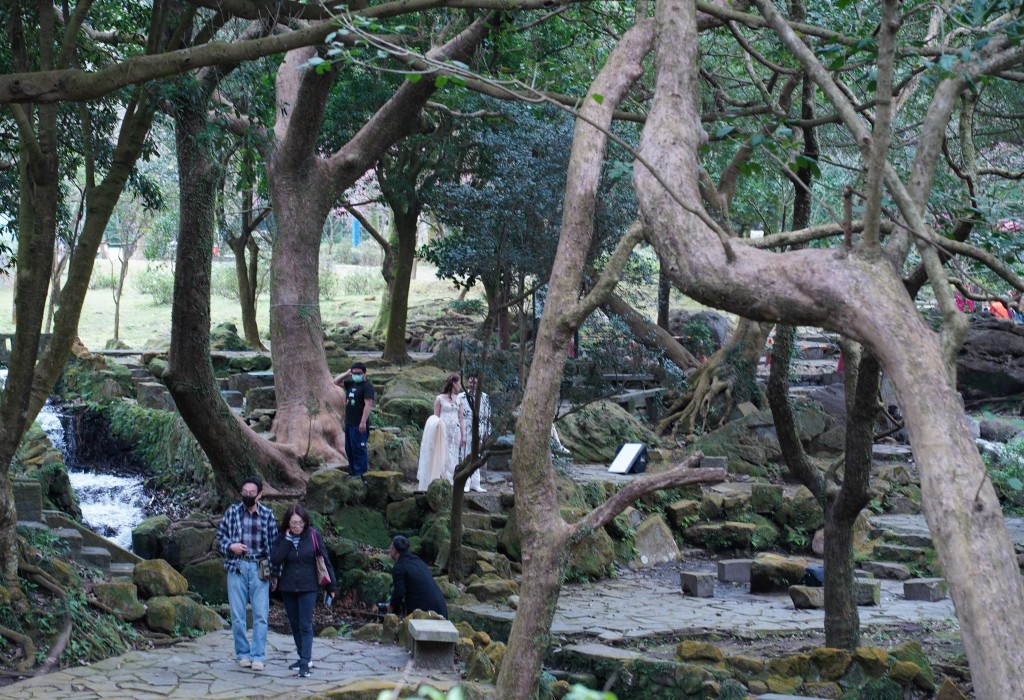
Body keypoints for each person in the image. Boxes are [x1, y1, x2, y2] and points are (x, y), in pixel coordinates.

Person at [216, 476, 278, 671]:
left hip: (260, 567)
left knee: (261, 614)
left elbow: (274, 546)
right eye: (245, 492)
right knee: (237, 614)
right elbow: (220, 537)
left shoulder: (267, 515)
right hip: (237, 567)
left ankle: (258, 655)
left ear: (259, 494)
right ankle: (243, 653)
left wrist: (275, 573)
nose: (248, 496)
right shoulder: (232, 512)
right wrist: (231, 546)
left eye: (251, 493)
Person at [270, 504, 336, 678]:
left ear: (305, 522)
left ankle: (305, 662)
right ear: (287, 524)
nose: (297, 526)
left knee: (305, 624)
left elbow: (325, 561)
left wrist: (332, 586)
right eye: (293, 523)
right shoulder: (281, 538)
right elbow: (275, 559)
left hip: (309, 586)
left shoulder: (314, 536)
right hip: (288, 586)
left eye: (300, 523)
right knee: (294, 624)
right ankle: (302, 657)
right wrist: (286, 540)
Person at [416, 373, 465, 490]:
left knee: (453, 456)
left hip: (455, 432)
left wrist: (463, 435)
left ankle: (451, 481)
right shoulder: (439, 399)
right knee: (443, 455)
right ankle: (441, 480)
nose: (460, 386)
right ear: (453, 384)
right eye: (458, 383)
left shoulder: (459, 399)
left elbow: (461, 418)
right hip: (442, 431)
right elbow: (435, 417)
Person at [388, 535, 448, 618]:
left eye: (391, 547)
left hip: (427, 612)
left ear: (395, 550)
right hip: (441, 609)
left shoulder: (399, 567)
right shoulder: (417, 560)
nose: (389, 550)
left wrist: (392, 609)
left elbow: (399, 592)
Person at [334, 362, 375, 477]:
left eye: (359, 373)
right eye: (354, 373)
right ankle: (353, 472)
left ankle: (361, 474)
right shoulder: (352, 384)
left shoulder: (367, 386)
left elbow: (368, 404)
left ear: (364, 373)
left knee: (359, 449)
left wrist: (363, 422)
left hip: (359, 424)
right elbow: (335, 382)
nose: (356, 375)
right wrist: (347, 373)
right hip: (349, 423)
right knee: (349, 449)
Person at [458, 373, 491, 493]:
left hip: (480, 428)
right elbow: (459, 415)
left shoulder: (485, 397)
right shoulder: (461, 396)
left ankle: (476, 483)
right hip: (466, 427)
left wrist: (487, 431)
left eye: (475, 383)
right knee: (466, 455)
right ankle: (466, 482)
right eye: (471, 382)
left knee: (477, 456)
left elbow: (487, 415)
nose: (473, 385)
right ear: (467, 382)